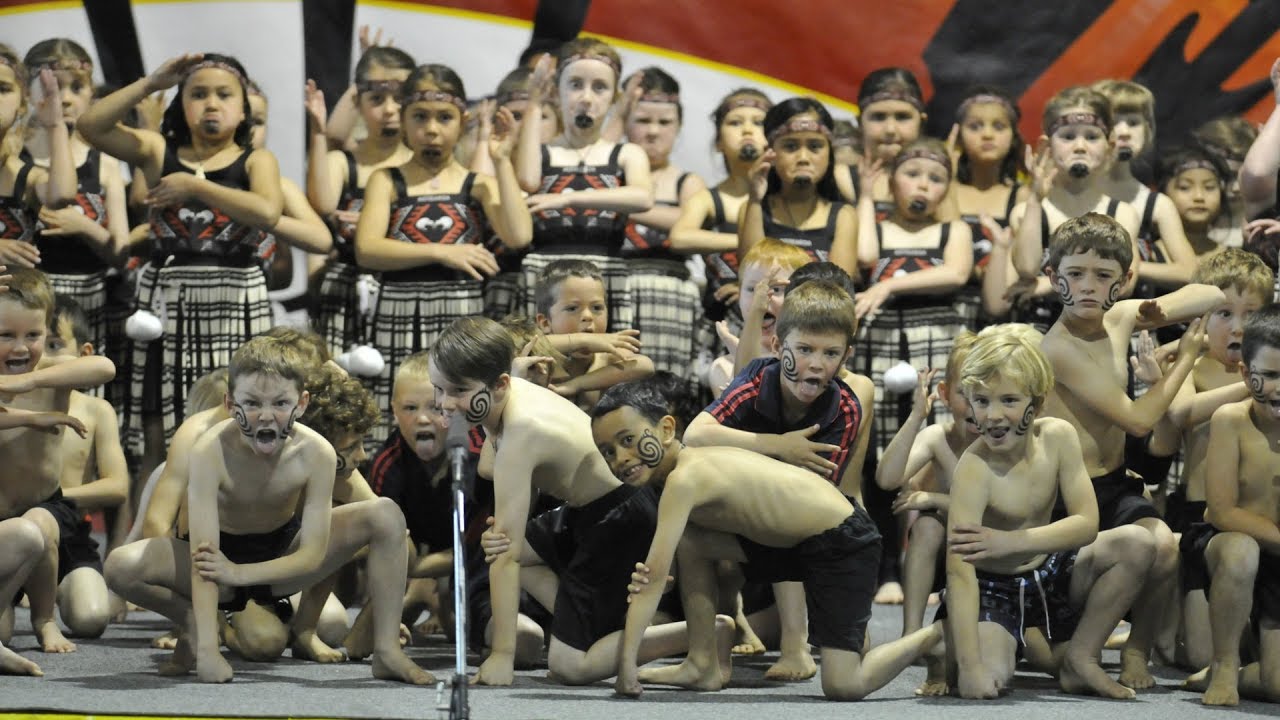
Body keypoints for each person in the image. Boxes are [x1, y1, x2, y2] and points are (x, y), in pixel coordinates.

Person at [103, 335, 431, 684]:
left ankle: (387, 652)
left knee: (386, 514)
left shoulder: (317, 452)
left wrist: (239, 573)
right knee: (120, 565)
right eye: (252, 403)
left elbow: (312, 554)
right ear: (230, 403)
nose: (266, 416)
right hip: (215, 558)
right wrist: (209, 652)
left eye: (280, 403)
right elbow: (204, 558)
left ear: (302, 403)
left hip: (279, 558)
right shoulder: (208, 450)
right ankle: (192, 622)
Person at [596, 382, 942, 700]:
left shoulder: (684, 479)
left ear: (667, 429)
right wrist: (658, 572)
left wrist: (626, 667)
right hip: (794, 544)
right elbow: (661, 569)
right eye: (607, 451)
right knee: (691, 541)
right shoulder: (681, 473)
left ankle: (934, 635)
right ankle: (702, 663)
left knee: (844, 684)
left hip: (844, 541)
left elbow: (652, 578)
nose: (620, 458)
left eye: (627, 440)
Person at [430, 316, 687, 687]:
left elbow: (505, 554)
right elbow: (489, 468)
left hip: (621, 517)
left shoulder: (521, 430)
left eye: (457, 391)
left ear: (499, 385)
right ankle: (594, 629)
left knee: (570, 667)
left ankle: (696, 633)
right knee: (517, 552)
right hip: (591, 508)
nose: (444, 404)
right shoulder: (508, 395)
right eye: (438, 389)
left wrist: (502, 655)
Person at [77, 53, 284, 476]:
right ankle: (155, 514)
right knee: (158, 433)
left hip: (236, 302)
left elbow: (267, 212)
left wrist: (193, 185)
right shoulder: (160, 150)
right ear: (181, 104)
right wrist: (150, 83)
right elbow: (90, 126)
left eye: (224, 95)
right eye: (198, 94)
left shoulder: (255, 160)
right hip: (169, 306)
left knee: (238, 423)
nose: (212, 104)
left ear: (243, 108)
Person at [1039, 212, 1221, 688]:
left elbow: (1213, 294)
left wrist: (1159, 309)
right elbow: (1139, 420)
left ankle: (1137, 649)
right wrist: (1184, 361)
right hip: (1065, 496)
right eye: (1075, 274)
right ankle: (1081, 646)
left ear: (1123, 281)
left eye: (1103, 276)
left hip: (1114, 483)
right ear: (1053, 277)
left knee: (1165, 546)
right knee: (1142, 548)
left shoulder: (1119, 316)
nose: (1088, 286)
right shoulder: (1057, 348)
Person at [931, 323, 1157, 700]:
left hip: (1048, 573)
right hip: (993, 588)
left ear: (1037, 404)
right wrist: (970, 669)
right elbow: (959, 572)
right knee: (990, 679)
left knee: (1138, 542)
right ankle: (950, 642)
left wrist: (1011, 542)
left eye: (1009, 400)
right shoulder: (972, 468)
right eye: (982, 401)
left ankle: (1081, 657)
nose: (993, 415)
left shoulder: (1058, 436)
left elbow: (1087, 524)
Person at [685, 280, 866, 680]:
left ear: (846, 357)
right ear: (778, 346)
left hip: (812, 538)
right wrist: (778, 446)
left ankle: (796, 647)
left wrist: (750, 463)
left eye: (830, 353)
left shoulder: (844, 407)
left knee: (853, 656)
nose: (816, 364)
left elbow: (807, 506)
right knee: (689, 535)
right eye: (804, 350)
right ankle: (703, 658)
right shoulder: (756, 379)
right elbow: (694, 434)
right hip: (755, 515)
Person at [355, 62, 530, 447]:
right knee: (400, 419)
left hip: (461, 316)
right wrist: (443, 252)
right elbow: (366, 249)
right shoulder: (387, 180)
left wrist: (502, 159)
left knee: (465, 423)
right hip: (399, 313)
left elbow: (518, 235)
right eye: (420, 116)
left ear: (463, 121)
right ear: (403, 119)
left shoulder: (478, 184)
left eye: (444, 117)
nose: (432, 129)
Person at [370, 351, 544, 665]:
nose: (423, 419)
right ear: (393, 410)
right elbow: (386, 547)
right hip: (424, 551)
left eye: (435, 407)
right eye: (410, 408)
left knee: (524, 641)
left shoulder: (479, 457)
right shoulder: (388, 463)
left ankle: (434, 594)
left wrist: (419, 569)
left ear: (454, 407)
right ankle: (424, 593)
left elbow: (483, 545)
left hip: (480, 559)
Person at [1144, 249, 1270, 670]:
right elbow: (1182, 412)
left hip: (1262, 515)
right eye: (1224, 314)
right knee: (1196, 656)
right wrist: (1254, 385)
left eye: (1251, 314)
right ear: (1199, 318)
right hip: (1201, 519)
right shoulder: (1193, 368)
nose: (1238, 327)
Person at [0, 267, 114, 654]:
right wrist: (33, 417)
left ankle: (44, 619)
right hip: (4, 526)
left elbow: (105, 367)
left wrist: (30, 381)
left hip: (46, 507)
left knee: (40, 524)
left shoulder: (49, 372)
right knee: (1, 635)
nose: (20, 348)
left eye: (33, 336)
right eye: (6, 335)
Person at [514, 40, 654, 329]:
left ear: (614, 97)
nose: (586, 98)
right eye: (575, 85)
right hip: (545, 274)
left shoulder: (626, 153)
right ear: (557, 92)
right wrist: (535, 102)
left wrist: (568, 198)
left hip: (604, 273)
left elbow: (643, 197)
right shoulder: (544, 152)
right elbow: (527, 179)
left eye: (599, 87)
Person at [1182, 304, 1280, 704]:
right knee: (1242, 551)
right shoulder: (1231, 420)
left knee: (1277, 685)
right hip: (1229, 545)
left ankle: (1245, 672)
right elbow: (1220, 512)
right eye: (1270, 375)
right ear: (1245, 373)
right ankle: (1223, 664)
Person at [22, 39, 129, 370]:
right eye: (52, 87)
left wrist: (83, 226)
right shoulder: (15, 160)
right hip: (25, 303)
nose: (64, 98)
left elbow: (121, 253)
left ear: (91, 95)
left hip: (88, 301)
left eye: (76, 87)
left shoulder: (105, 163)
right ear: (27, 93)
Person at [1000, 86, 1141, 331]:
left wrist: (1046, 285)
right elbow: (1026, 268)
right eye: (1068, 136)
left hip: (1098, 335)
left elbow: (1125, 284)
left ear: (1109, 146)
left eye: (1092, 137)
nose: (1080, 146)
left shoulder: (1122, 214)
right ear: (1046, 146)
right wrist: (1035, 200)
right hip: (1038, 334)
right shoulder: (1027, 211)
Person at [305, 46, 415, 357]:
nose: (389, 109)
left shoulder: (423, 168)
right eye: (377, 99)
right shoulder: (343, 163)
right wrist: (318, 133)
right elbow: (323, 204)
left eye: (399, 98)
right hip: (346, 293)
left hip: (406, 289)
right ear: (358, 103)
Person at [874, 331, 980, 636]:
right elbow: (886, 479)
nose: (976, 406)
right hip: (949, 550)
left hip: (998, 548)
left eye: (986, 394)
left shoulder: (1004, 441)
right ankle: (910, 634)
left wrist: (934, 500)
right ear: (944, 393)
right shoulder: (938, 438)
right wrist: (916, 417)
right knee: (926, 527)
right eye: (966, 393)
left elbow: (995, 510)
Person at [617, 67, 707, 377]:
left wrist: (622, 204)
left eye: (665, 122)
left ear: (679, 126)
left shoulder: (687, 182)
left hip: (672, 305)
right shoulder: (606, 174)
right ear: (624, 121)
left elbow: (693, 224)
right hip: (615, 293)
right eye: (642, 120)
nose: (653, 131)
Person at [43, 295, 129, 617]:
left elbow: (117, 487)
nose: (43, 356)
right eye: (38, 342)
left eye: (55, 345)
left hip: (70, 533)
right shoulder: (10, 403)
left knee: (91, 617)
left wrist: (54, 499)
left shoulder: (96, 411)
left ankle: (59, 586)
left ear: (85, 353)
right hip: (16, 530)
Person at [669, 89, 772, 334]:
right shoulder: (708, 199)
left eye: (759, 122)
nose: (747, 130)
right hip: (720, 324)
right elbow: (679, 238)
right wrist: (746, 242)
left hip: (775, 322)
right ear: (718, 142)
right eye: (735, 122)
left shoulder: (784, 201)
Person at [1093, 79, 1198, 297]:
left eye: (1133, 123)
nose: (1124, 132)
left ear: (1148, 130)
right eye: (1113, 122)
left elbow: (1188, 271)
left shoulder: (1156, 204)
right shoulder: (1073, 193)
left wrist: (1130, 267)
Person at [739, 98, 857, 277]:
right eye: (790, 146)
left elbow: (839, 287)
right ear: (770, 153)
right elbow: (752, 277)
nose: (803, 157)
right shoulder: (754, 210)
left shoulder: (843, 216)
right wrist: (754, 199)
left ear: (829, 154)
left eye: (815, 146)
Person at [946, 85, 1026, 329]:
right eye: (975, 126)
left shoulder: (1022, 195)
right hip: (947, 314)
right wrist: (946, 177)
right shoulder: (945, 191)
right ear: (958, 135)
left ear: (1013, 136)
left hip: (1003, 318)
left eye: (999, 126)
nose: (987, 134)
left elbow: (1021, 261)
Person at [532, 258, 654, 410]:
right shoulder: (536, 358)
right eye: (572, 308)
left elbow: (645, 366)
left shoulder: (608, 357)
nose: (588, 316)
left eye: (596, 307)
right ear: (545, 323)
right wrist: (582, 340)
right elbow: (519, 344)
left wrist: (577, 384)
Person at [707, 238, 809, 397]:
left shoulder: (814, 364)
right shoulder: (724, 367)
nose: (760, 297)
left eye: (776, 289)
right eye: (752, 289)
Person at [0, 44, 76, 255]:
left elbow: (61, 196)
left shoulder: (25, 177)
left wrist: (56, 125)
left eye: (2, 89)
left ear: (22, 104)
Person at [848, 68, 927, 220]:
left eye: (902, 117)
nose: (890, 129)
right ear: (860, 124)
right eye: (879, 117)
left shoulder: (942, 182)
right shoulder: (840, 181)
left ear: (921, 123)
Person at [1157, 145, 1231, 261]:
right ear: (1163, 193)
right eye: (1185, 187)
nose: (1199, 197)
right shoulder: (1146, 255)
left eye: (1209, 187)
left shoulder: (1234, 258)